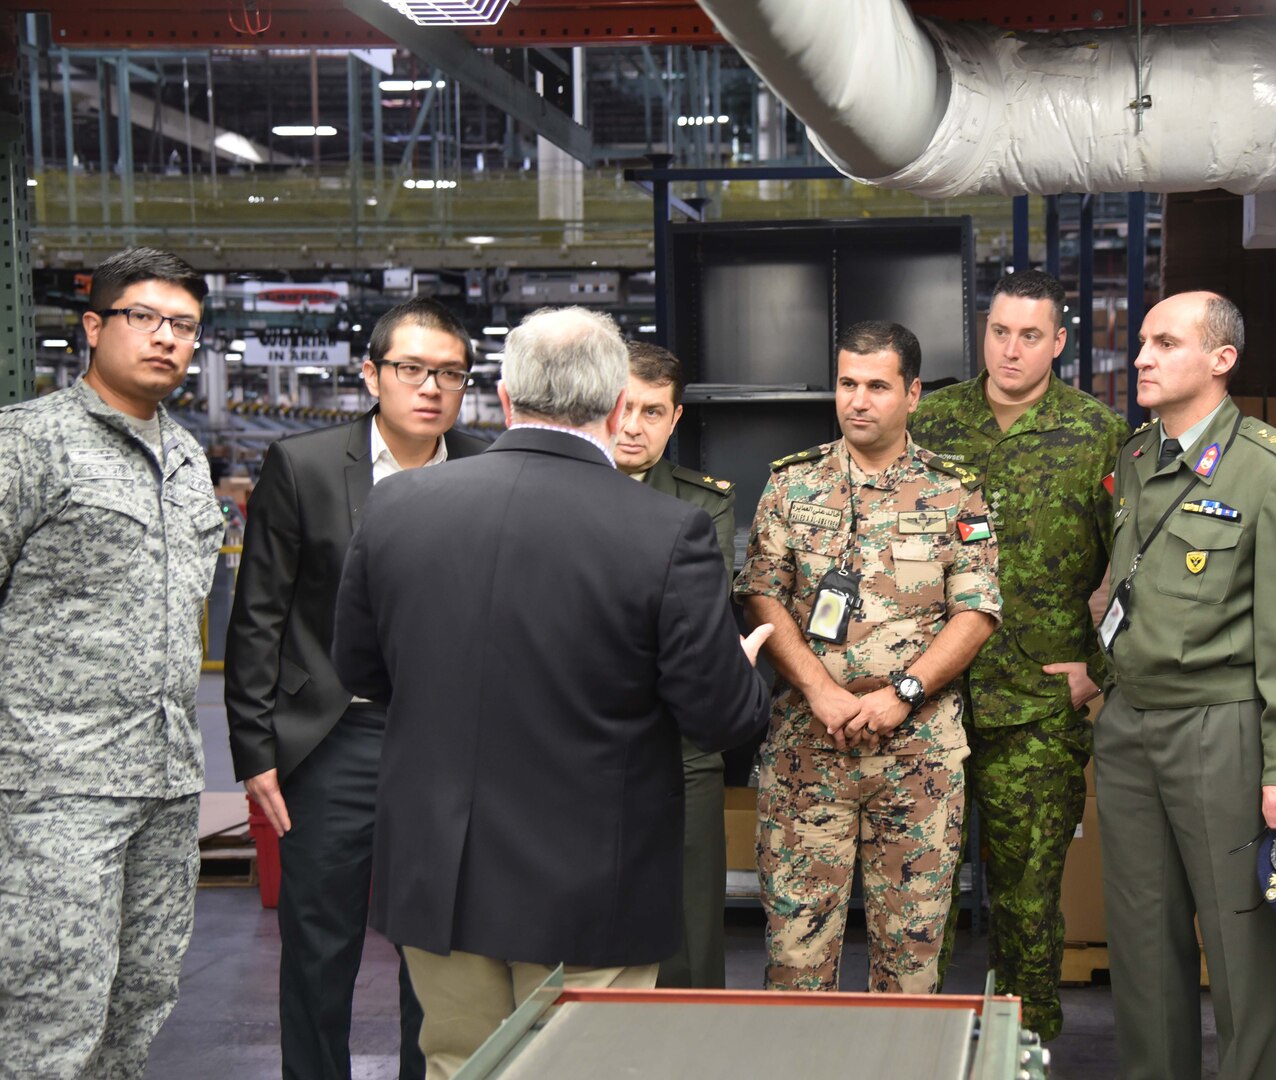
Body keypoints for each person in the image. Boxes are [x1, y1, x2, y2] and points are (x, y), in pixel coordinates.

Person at [331, 306, 772, 1080]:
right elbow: (720, 716)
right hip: (591, 886)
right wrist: (734, 666)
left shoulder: (398, 508)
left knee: (458, 1064)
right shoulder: (667, 532)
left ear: (503, 399)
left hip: (442, 871)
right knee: (584, 1068)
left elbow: (360, 673)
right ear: (611, 405)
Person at [225, 297, 487, 1080]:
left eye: (450, 372)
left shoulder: (487, 468)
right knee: (317, 945)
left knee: (437, 953)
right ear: (373, 374)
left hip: (445, 746)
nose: (431, 387)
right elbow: (258, 617)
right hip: (330, 738)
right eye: (411, 368)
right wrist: (256, 752)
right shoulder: (303, 466)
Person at [1099, 290, 1276, 1079]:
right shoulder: (1137, 459)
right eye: (1142, 342)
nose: (1141, 356)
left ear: (1220, 360)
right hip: (1132, 726)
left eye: (1165, 343)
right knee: (1140, 935)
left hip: (1223, 728)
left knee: (1242, 939)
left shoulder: (1272, 473)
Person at [0, 247, 223, 1077]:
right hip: (50, 788)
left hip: (166, 784)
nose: (167, 339)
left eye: (185, 326)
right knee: (49, 1007)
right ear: (95, 327)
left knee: (140, 999)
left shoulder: (188, 457)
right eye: (145, 319)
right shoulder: (26, 446)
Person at [736, 320, 1001, 995]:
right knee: (796, 962)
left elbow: (976, 613)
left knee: (910, 966)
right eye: (847, 384)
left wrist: (902, 693)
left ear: (912, 394)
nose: (858, 400)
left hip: (916, 758)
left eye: (877, 386)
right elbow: (761, 597)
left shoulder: (954, 492)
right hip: (808, 750)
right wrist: (821, 691)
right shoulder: (791, 487)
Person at [907, 269, 1126, 1038]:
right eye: (1000, 331)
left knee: (1027, 908)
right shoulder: (932, 424)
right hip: (928, 698)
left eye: (1030, 335)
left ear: (1059, 343)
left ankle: (1026, 1050)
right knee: (918, 900)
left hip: (1035, 709)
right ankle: (921, 1048)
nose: (1011, 349)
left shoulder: (1095, 432)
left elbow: (1135, 566)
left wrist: (1097, 673)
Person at [613, 341, 737, 990]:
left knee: (690, 937)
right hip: (583, 742)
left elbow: (693, 620)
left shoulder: (703, 503)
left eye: (653, 412)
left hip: (683, 744)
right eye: (624, 406)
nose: (634, 425)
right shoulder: (557, 489)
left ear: (676, 419)